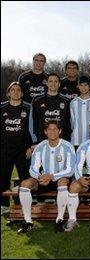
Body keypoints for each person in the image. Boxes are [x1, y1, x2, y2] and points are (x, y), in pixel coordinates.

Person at [17, 120, 75, 233]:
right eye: (49, 129)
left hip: (59, 179)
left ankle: (59, 219)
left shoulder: (68, 146)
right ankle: (28, 221)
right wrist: (41, 177)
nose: (52, 132)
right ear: (45, 131)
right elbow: (33, 168)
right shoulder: (40, 146)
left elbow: (70, 170)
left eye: (55, 129)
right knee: (25, 184)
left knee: (63, 182)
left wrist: (52, 176)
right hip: (43, 180)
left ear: (60, 131)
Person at [1, 82, 33, 215]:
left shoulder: (28, 108)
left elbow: (32, 129)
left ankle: (21, 204)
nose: (15, 92)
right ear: (8, 93)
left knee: (24, 178)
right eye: (13, 90)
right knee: (3, 177)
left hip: (22, 150)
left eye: (18, 90)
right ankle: (4, 205)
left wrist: (31, 147)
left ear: (22, 93)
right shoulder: (2, 107)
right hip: (4, 149)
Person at [30, 73, 72, 143]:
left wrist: (67, 140)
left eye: (56, 81)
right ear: (46, 83)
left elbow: (69, 123)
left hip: (61, 141)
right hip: (41, 141)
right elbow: (32, 122)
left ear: (59, 84)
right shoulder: (37, 100)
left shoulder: (66, 101)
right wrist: (34, 141)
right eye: (50, 81)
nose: (53, 83)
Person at [70, 76, 90, 149]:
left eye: (85, 85)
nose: (83, 87)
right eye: (81, 85)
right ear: (78, 86)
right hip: (76, 140)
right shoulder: (73, 102)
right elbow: (72, 122)